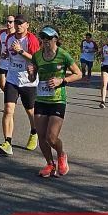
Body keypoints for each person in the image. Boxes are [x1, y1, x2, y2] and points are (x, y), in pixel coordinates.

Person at [33, 26, 83, 177]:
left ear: (56, 39)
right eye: (43, 38)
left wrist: (61, 80)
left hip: (57, 100)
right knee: (41, 137)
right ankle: (50, 164)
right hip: (41, 99)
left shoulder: (63, 55)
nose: (45, 41)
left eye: (48, 38)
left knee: (51, 137)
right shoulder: (37, 56)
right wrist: (30, 73)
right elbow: (32, 77)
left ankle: (61, 155)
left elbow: (78, 74)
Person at [0, 14, 40, 156]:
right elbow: (8, 53)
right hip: (12, 78)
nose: (18, 25)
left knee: (30, 111)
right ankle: (7, 143)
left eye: (21, 23)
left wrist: (20, 51)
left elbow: (36, 60)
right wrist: (5, 55)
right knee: (8, 110)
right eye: (16, 23)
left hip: (28, 80)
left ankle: (34, 132)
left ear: (27, 25)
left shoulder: (31, 40)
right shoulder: (10, 38)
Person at [0, 15, 15, 92]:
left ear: (14, 23)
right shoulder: (2, 33)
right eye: (7, 21)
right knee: (2, 85)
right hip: (3, 62)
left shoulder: (17, 34)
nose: (8, 23)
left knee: (12, 86)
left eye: (10, 22)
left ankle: (11, 97)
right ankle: (9, 96)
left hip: (13, 64)